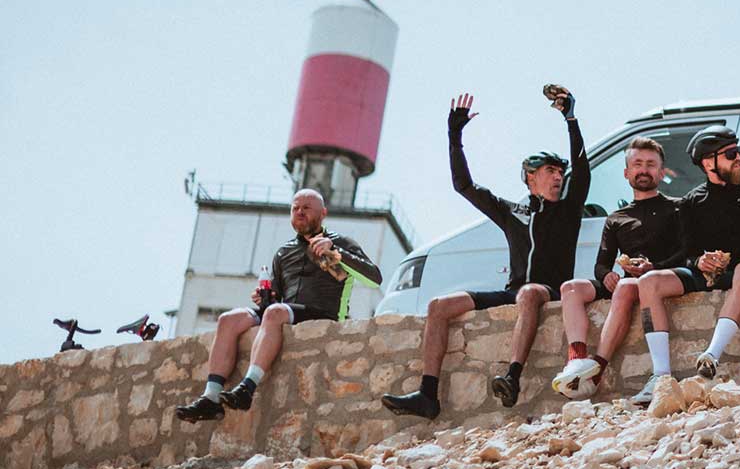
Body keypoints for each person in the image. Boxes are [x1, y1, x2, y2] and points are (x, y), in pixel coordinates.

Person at [381, 90, 590, 419]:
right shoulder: (513, 213)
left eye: (560, 172)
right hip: (513, 292)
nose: (558, 177)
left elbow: (582, 170)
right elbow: (464, 186)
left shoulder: (568, 210)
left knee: (530, 292)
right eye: (551, 171)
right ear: (530, 177)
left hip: (547, 290)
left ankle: (513, 376)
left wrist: (570, 119)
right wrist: (454, 136)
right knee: (438, 306)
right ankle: (427, 394)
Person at [627, 125, 740, 406]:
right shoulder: (692, 201)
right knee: (649, 283)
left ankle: (711, 355)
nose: (739, 158)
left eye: (739, 152)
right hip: (711, 274)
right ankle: (660, 377)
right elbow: (687, 252)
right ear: (708, 163)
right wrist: (699, 260)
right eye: (731, 153)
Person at [175, 189, 381, 422]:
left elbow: (374, 278)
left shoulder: (340, 243)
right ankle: (211, 398)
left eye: (306, 208)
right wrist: (264, 296)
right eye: (295, 208)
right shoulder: (284, 252)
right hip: (285, 310)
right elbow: (276, 297)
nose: (300, 212)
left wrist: (336, 252)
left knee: (275, 312)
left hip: (324, 312)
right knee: (228, 319)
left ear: (323, 213)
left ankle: (247, 387)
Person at [551, 136, 683, 400]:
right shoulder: (616, 218)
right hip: (626, 279)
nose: (643, 170)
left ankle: (596, 372)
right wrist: (606, 275)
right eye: (637, 164)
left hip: (659, 278)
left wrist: (653, 267)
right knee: (571, 287)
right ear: (627, 172)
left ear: (660, 171)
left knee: (624, 286)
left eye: (650, 164)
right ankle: (576, 361)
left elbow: (686, 252)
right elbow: (601, 263)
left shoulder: (677, 207)